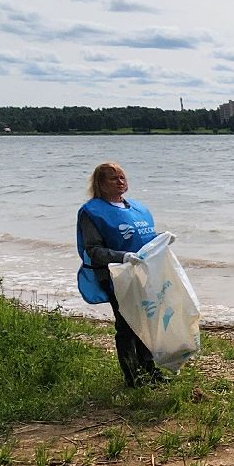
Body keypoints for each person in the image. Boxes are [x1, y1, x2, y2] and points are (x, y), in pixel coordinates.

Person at [75, 161, 164, 388]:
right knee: (126, 325)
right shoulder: (92, 212)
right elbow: (94, 250)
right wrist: (123, 256)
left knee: (145, 321)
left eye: (122, 177)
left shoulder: (137, 208)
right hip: (114, 276)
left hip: (142, 274)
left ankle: (150, 370)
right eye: (113, 178)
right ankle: (132, 377)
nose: (120, 181)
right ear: (101, 184)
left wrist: (162, 242)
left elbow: (147, 239)